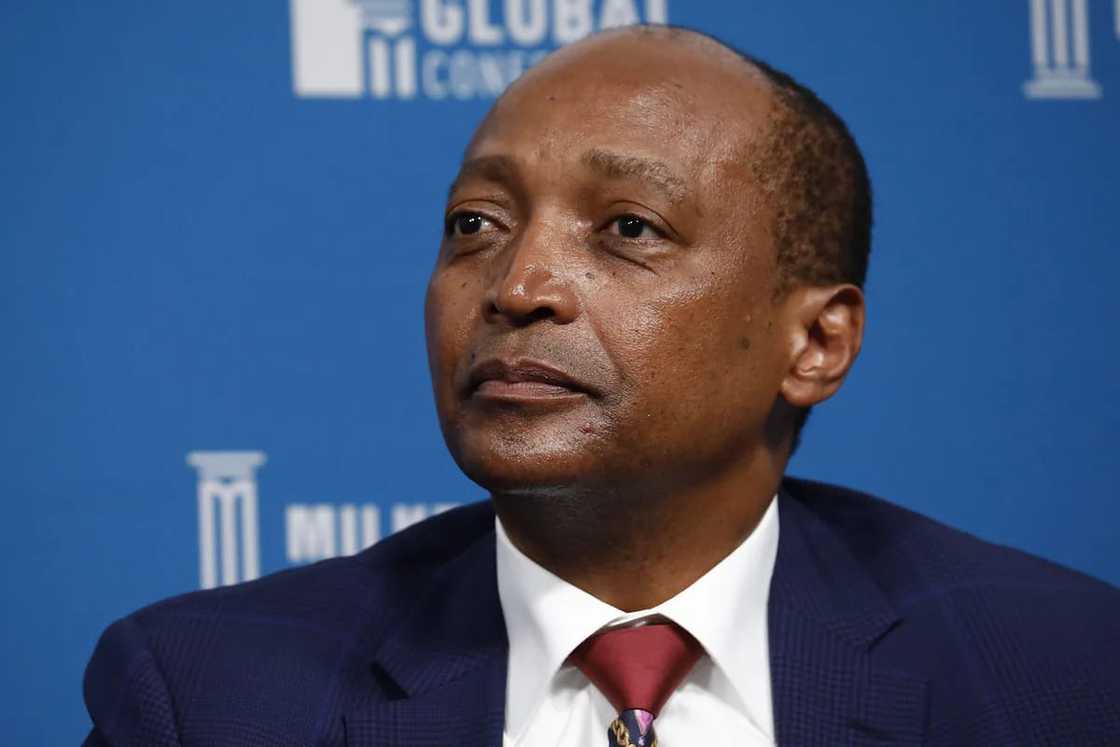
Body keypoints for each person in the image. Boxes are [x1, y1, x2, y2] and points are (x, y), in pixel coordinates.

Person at [83, 25, 1119, 747]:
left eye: (629, 229)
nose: (519, 286)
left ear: (815, 343)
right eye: (474, 227)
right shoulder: (208, 698)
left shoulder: (1058, 676)